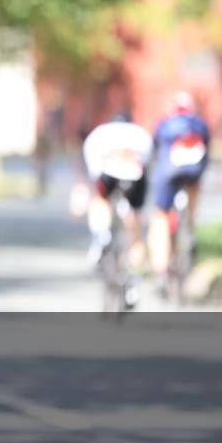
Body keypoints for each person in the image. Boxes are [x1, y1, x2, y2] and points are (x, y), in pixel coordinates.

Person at [81, 110, 153, 307]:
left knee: (100, 201)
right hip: (135, 176)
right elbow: (147, 162)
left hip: (108, 171)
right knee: (134, 224)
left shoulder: (100, 133)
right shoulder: (140, 134)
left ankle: (101, 235)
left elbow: (93, 168)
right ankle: (134, 280)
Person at [147, 91, 210, 292]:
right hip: (194, 172)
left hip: (169, 172)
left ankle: (161, 270)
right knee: (194, 190)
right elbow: (207, 151)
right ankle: (189, 226)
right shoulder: (199, 125)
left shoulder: (164, 124)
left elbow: (155, 151)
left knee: (160, 216)